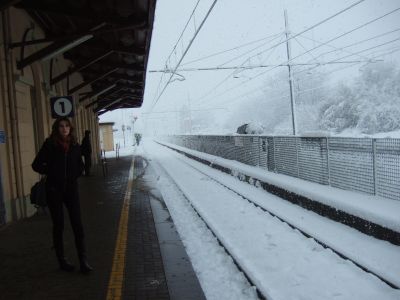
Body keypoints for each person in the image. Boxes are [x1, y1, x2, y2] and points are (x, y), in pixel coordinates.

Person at [32, 117, 93, 273]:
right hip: (54, 190)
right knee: (59, 225)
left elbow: (80, 165)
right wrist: (52, 172)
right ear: (56, 128)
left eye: (67, 126)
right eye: (61, 126)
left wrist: (75, 174)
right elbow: (36, 165)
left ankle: (83, 260)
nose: (64, 128)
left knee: (77, 224)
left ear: (70, 129)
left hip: (71, 190)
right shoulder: (50, 145)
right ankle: (62, 261)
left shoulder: (74, 146)